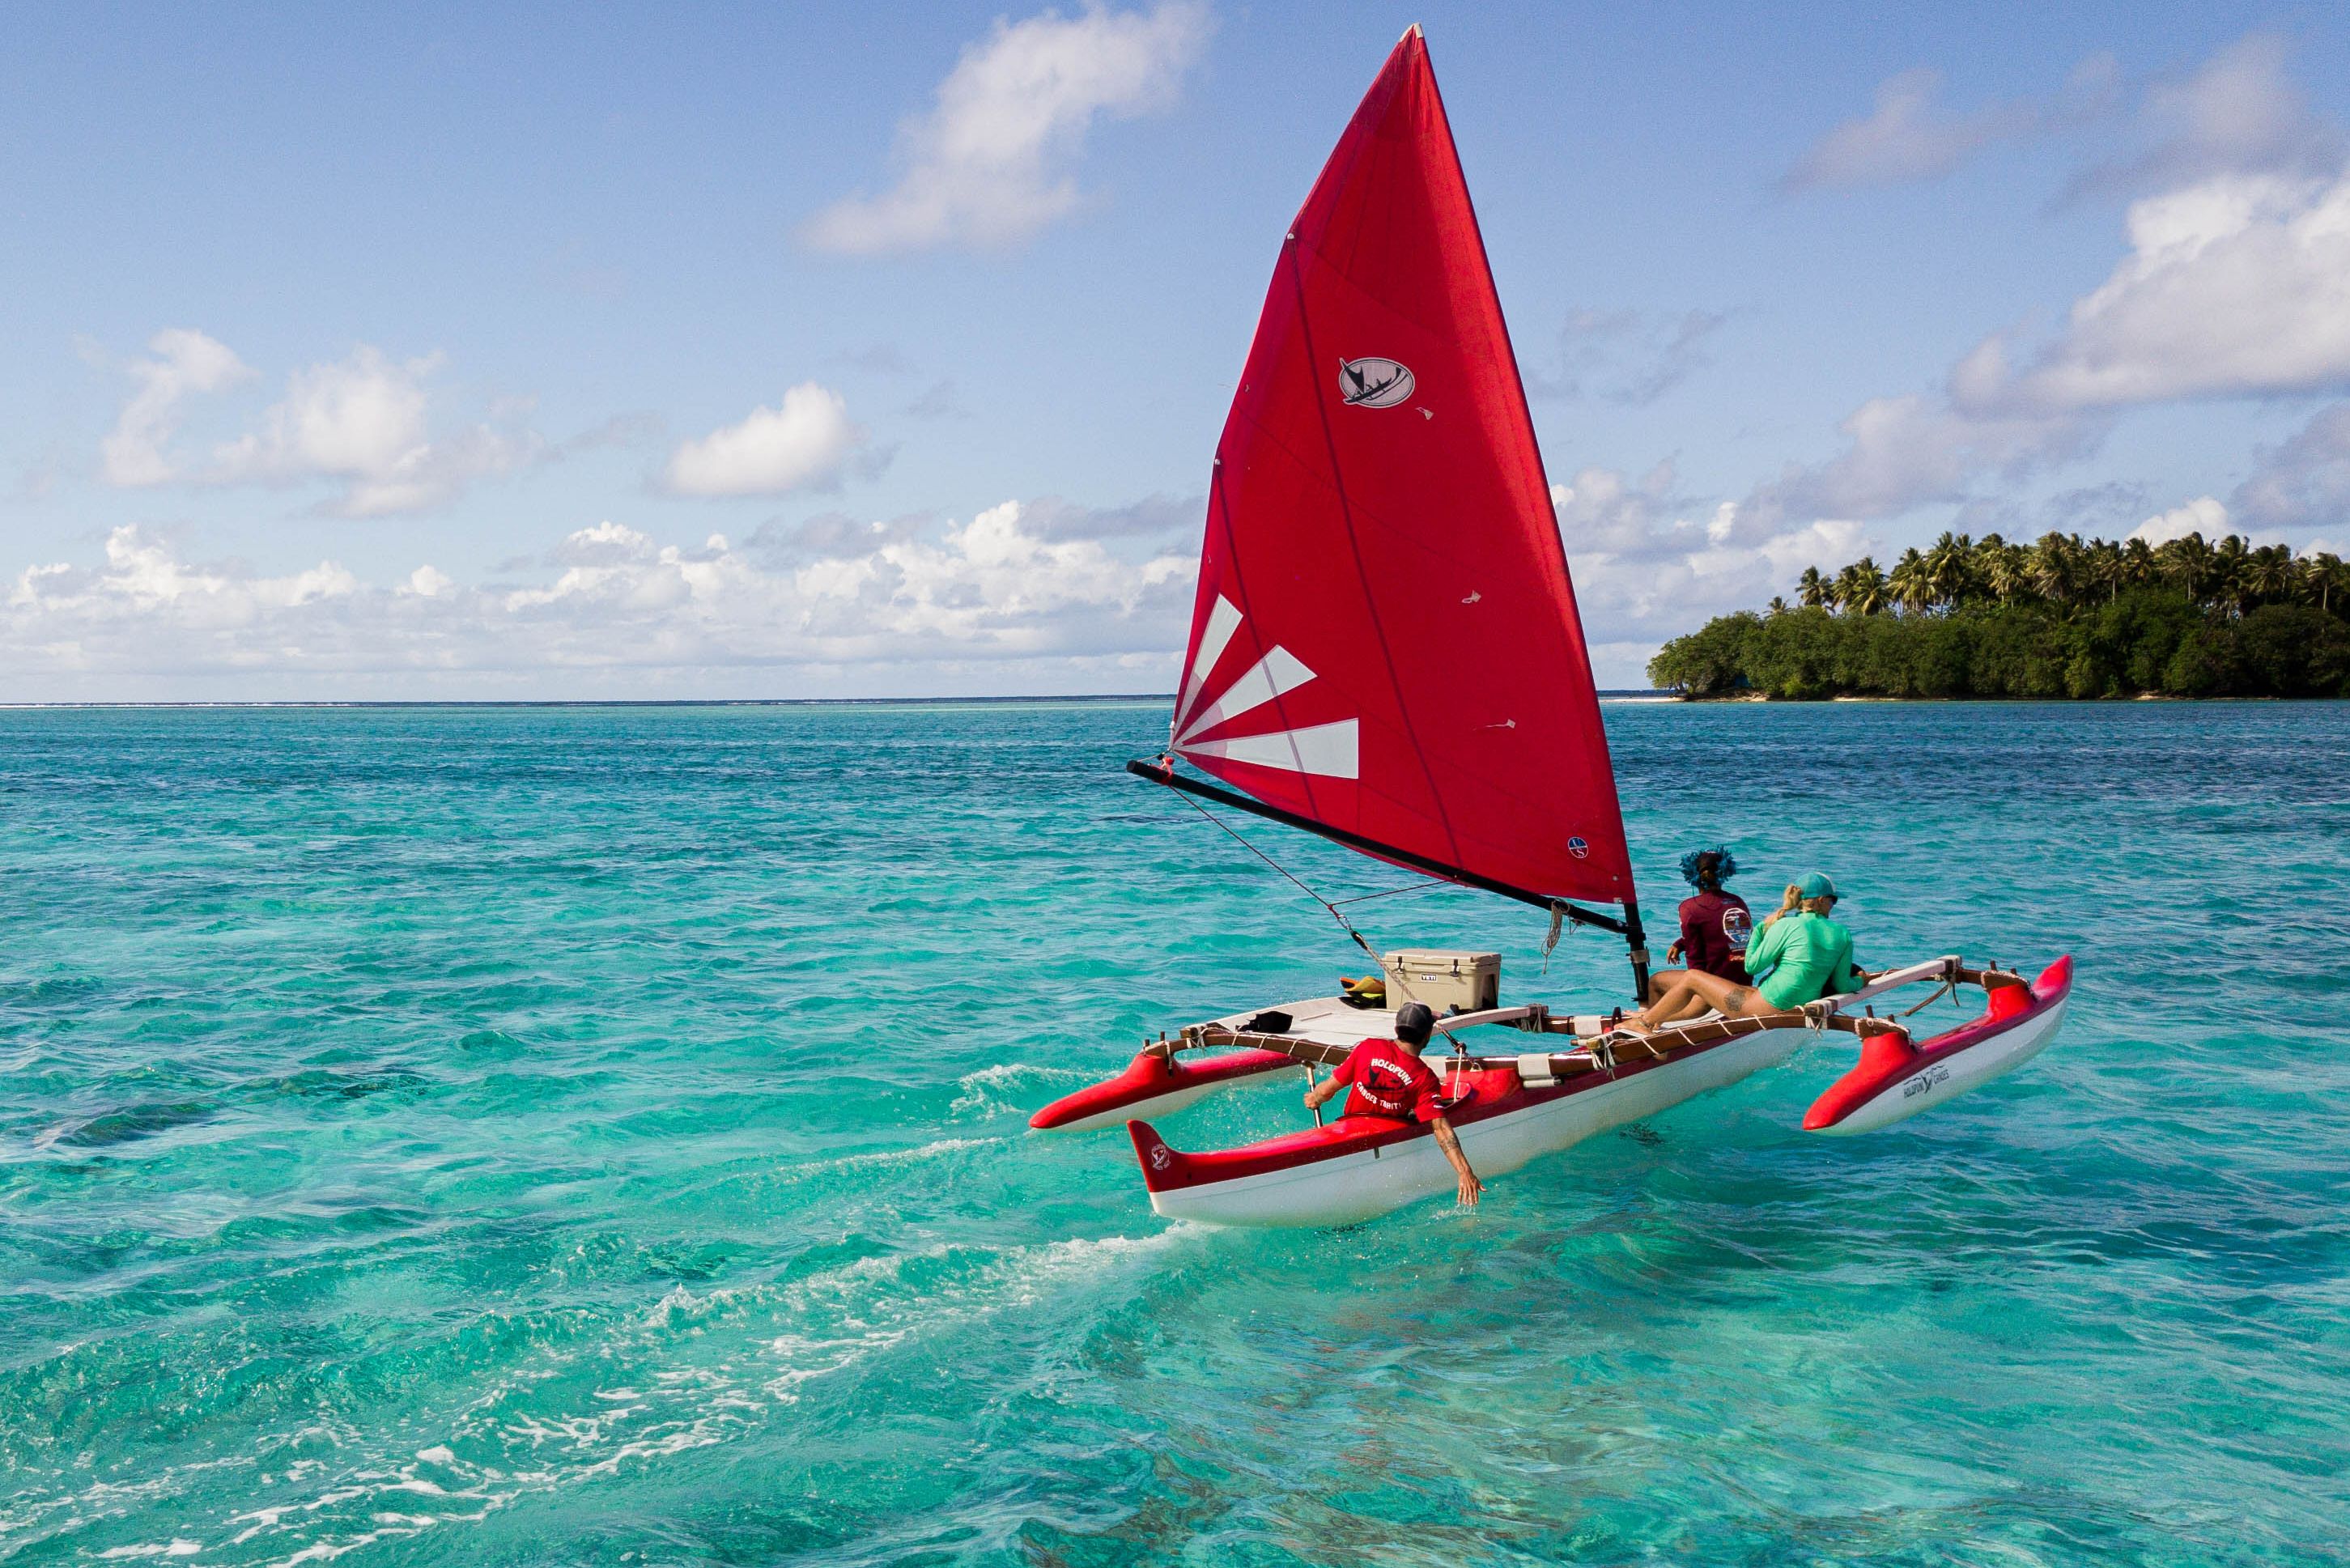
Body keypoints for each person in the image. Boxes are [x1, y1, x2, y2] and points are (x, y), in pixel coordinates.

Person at [1625, 872, 1864, 1030]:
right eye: (1834, 900)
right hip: (1789, 1004)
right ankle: (1656, 1020)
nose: (1834, 905)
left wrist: (1761, 930)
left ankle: (1645, 1022)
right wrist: (1860, 982)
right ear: (1821, 900)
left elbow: (1752, 966)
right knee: (1741, 990)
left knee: (1691, 978)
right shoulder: (1842, 933)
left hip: (1768, 1007)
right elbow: (1844, 985)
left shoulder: (1785, 925)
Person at [1304, 1001, 1483, 1207]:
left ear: (1396, 1029)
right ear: (1427, 1037)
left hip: (1349, 1130)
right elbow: (1441, 1129)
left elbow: (1328, 1090)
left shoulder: (1367, 1048)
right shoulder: (1425, 1078)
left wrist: (1314, 1097)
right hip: (1388, 1138)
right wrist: (1464, 1172)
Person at [1647, 846, 1753, 1003]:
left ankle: (1649, 1022)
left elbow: (1695, 960)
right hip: (1742, 985)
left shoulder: (1690, 908)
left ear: (1692, 874)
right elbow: (1723, 933)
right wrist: (1681, 943)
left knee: (1655, 981)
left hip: (1714, 991)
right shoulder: (1738, 902)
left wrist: (1696, 995)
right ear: (1724, 872)